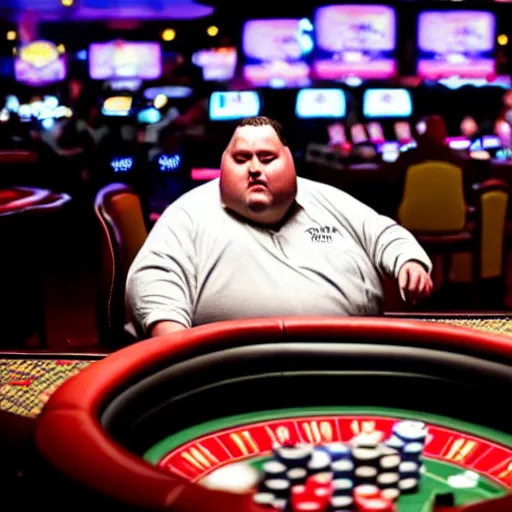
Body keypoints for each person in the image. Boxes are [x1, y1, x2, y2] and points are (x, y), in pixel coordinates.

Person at [125, 116, 433, 339]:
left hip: (358, 357)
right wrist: (172, 343)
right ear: (223, 163)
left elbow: (381, 232)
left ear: (289, 162)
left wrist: (409, 261)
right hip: (230, 374)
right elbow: (153, 276)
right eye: (242, 158)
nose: (255, 169)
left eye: (267, 158)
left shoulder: (325, 197)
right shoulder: (188, 213)